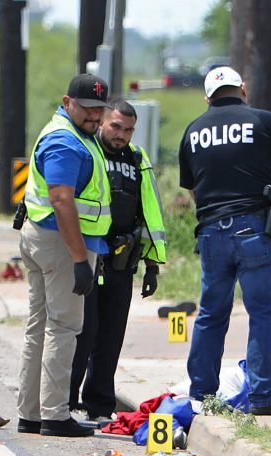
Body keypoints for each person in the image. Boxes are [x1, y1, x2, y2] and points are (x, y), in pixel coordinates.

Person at [178, 66, 271, 415]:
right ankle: (264, 394)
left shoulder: (193, 131)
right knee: (263, 313)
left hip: (211, 230)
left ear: (207, 97)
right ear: (242, 89)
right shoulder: (264, 121)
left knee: (211, 314)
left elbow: (193, 189)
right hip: (255, 227)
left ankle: (201, 395)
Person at [16, 74, 112, 437]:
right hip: (61, 243)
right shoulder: (65, 142)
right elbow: (60, 199)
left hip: (45, 238)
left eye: (99, 110)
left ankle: (32, 412)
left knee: (39, 326)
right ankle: (54, 415)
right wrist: (78, 259)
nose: (94, 116)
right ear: (67, 102)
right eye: (87, 109)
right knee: (64, 326)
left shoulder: (72, 134)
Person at [69, 99, 167, 422]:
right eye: (115, 126)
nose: (121, 135)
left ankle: (99, 405)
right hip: (89, 252)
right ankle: (65, 400)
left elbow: (150, 211)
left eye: (128, 130)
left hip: (123, 260)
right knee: (83, 331)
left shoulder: (137, 160)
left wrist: (152, 265)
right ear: (102, 122)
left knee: (111, 334)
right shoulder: (88, 151)